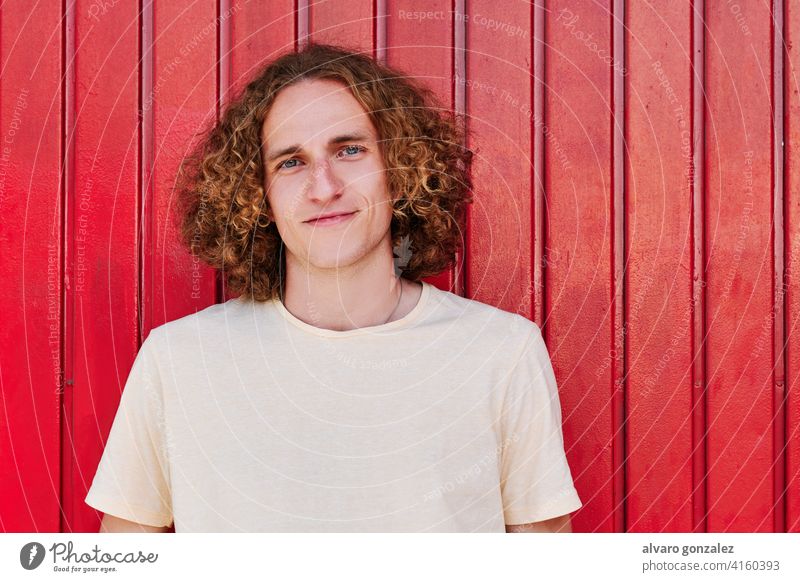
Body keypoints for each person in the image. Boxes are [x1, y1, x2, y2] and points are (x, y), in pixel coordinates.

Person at [85, 42, 582, 533]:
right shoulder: (178, 360)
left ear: (400, 168)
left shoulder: (501, 352)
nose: (324, 186)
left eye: (349, 149)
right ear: (259, 194)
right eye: (291, 162)